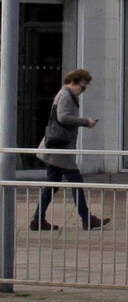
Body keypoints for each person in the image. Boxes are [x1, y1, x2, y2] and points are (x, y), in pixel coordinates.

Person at [32, 69, 103, 231]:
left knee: (52, 184)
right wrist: (85, 121)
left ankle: (38, 219)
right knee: (76, 181)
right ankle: (86, 218)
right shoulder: (65, 95)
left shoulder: (67, 95)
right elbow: (62, 117)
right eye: (83, 88)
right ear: (75, 82)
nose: (83, 91)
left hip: (58, 147)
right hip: (60, 148)